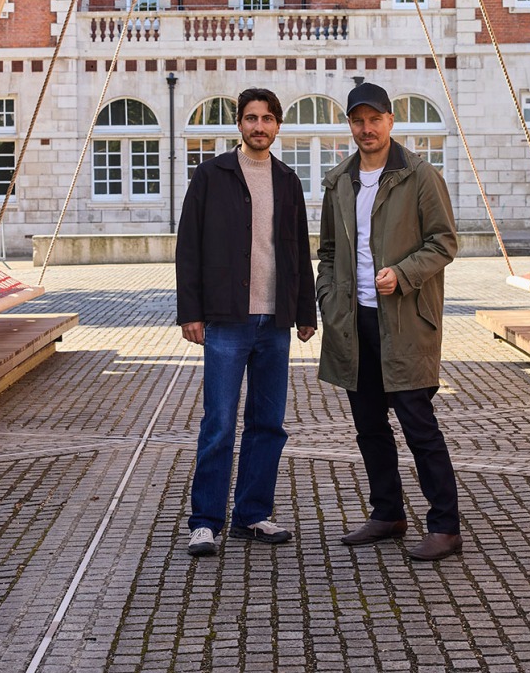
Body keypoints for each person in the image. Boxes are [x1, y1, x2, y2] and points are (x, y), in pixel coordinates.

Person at [315, 81, 462, 561]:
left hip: (405, 322)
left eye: (375, 119)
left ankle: (445, 527)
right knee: (369, 427)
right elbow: (328, 252)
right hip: (354, 324)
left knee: (419, 425)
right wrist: (328, 300)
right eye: (358, 121)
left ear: (390, 121)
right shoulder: (339, 180)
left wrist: (402, 274)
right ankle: (388, 513)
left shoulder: (420, 176)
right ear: (350, 125)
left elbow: (444, 241)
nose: (367, 129)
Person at [176, 87, 317, 557]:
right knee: (219, 422)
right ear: (239, 123)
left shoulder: (287, 179)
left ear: (278, 126)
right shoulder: (211, 175)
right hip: (227, 320)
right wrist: (190, 312)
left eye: (267, 118)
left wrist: (305, 311)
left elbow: (298, 249)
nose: (259, 126)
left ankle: (252, 515)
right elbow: (188, 247)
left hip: (274, 321)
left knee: (268, 423)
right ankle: (205, 522)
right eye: (251, 118)